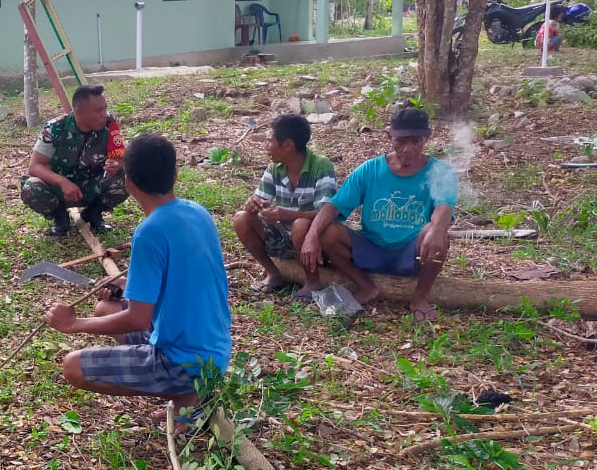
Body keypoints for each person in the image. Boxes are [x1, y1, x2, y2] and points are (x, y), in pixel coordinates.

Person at [44, 133, 231, 422]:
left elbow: (137, 320)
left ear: (128, 184)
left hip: (185, 363)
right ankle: (189, 391)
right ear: (175, 175)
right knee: (105, 308)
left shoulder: (149, 232)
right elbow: (180, 280)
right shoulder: (198, 212)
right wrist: (125, 286)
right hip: (215, 352)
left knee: (73, 366)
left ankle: (186, 394)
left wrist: (74, 324)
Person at [297, 106, 457, 321]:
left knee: (437, 233)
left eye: (415, 141)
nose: (408, 149)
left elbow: (443, 208)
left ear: (426, 138)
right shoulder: (371, 169)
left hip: (412, 252)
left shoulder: (440, 172)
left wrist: (438, 229)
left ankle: (419, 297)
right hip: (372, 247)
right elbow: (334, 206)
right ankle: (365, 286)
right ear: (389, 137)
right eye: (401, 141)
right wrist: (312, 235)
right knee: (328, 233)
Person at [231, 114, 338, 293]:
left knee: (300, 225)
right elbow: (260, 199)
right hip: (284, 237)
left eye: (270, 141)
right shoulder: (275, 168)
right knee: (241, 219)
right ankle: (273, 272)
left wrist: (285, 214)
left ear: (287, 145)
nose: (267, 147)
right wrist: (253, 205)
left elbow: (327, 212)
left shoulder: (321, 166)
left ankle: (312, 281)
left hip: (315, 241)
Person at [21, 84, 128, 237]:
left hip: (93, 187)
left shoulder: (109, 123)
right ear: (79, 110)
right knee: (31, 187)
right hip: (59, 191)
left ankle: (93, 213)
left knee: (129, 175)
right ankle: (60, 216)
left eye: (104, 109)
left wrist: (117, 164)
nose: (104, 114)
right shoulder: (55, 128)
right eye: (98, 111)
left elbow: (120, 156)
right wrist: (62, 182)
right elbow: (35, 167)